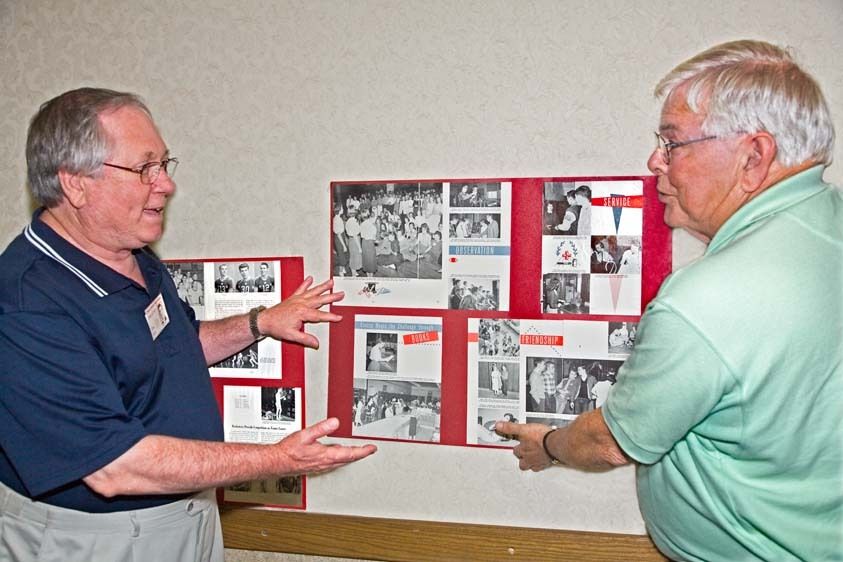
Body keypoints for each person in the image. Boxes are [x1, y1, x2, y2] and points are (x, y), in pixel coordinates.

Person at [497, 40, 842, 561]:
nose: (655, 160)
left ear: (754, 156)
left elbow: (609, 443)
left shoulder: (709, 297)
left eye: (673, 142)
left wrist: (546, 445)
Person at [0, 88, 377, 562]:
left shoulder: (131, 252)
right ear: (75, 184)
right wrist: (279, 460)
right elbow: (114, 467)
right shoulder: (23, 304)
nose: (166, 184)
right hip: (101, 539)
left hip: (189, 514)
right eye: (144, 168)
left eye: (163, 164)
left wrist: (260, 322)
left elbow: (175, 345)